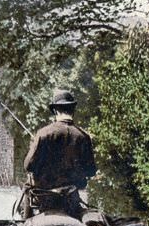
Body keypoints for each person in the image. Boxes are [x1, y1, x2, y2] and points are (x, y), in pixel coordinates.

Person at [23, 89, 96, 217]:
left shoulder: (43, 133)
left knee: (28, 185)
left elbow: (28, 166)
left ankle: (26, 222)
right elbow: (91, 171)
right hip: (71, 200)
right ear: (73, 110)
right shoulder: (83, 136)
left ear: (55, 111)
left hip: (45, 200)